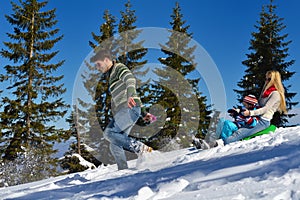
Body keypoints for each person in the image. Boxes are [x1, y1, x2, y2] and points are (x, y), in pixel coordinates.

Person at [90, 49, 155, 170]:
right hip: (130, 109)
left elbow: (130, 80)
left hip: (129, 109)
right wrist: (144, 112)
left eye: (98, 64)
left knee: (109, 133)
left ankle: (141, 148)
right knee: (114, 144)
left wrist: (130, 95)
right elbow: (136, 96)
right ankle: (123, 172)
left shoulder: (119, 68)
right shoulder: (111, 75)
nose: (97, 68)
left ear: (106, 60)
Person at [223, 70, 287, 145]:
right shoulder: (265, 93)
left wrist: (250, 113)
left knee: (238, 133)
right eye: (266, 78)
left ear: (274, 80)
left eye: (269, 79)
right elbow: (255, 106)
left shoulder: (275, 94)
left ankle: (220, 145)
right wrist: (239, 112)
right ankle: (216, 142)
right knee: (230, 127)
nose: (266, 81)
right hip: (255, 119)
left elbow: (265, 109)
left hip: (263, 121)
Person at [193, 94, 260, 149]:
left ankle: (223, 141)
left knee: (227, 124)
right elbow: (239, 118)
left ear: (250, 104)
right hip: (236, 124)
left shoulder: (254, 112)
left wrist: (247, 116)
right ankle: (209, 140)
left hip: (241, 127)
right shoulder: (244, 110)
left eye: (245, 105)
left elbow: (253, 123)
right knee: (221, 121)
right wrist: (235, 114)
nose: (244, 106)